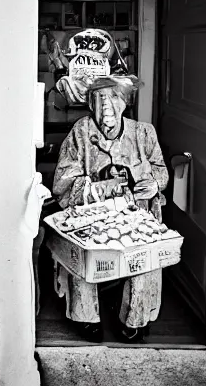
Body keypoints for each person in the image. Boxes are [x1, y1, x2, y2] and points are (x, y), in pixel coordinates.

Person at [52, 74, 169, 342]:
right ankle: (86, 316)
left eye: (113, 98)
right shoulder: (80, 133)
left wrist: (153, 185)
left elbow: (161, 172)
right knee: (80, 251)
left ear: (124, 103)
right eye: (99, 99)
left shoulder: (143, 133)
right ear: (90, 104)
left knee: (144, 254)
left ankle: (134, 318)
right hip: (91, 218)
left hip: (135, 217)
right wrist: (91, 188)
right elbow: (61, 180)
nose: (107, 108)